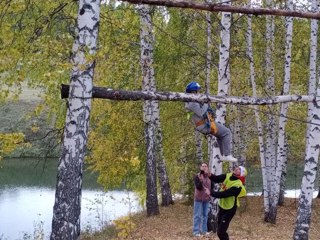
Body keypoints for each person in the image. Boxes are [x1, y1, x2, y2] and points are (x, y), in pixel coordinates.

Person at [185, 81, 237, 163]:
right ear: (193, 92)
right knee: (227, 132)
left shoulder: (191, 102)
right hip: (204, 126)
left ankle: (223, 155)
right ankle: (227, 155)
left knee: (221, 135)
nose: (198, 93)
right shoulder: (192, 103)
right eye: (197, 91)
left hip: (203, 125)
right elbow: (201, 112)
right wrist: (206, 102)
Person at [205, 166, 247, 240]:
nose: (236, 168)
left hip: (230, 210)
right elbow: (217, 179)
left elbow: (224, 194)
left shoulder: (238, 185)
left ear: (241, 174)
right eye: (237, 168)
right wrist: (209, 175)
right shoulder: (228, 175)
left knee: (221, 232)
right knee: (220, 229)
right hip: (222, 206)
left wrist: (210, 193)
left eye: (239, 169)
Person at [193, 162, 211, 237]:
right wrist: (200, 181)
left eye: (205, 166)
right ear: (200, 168)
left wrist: (211, 194)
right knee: (197, 215)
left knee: (205, 215)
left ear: (207, 167)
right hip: (198, 198)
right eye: (202, 166)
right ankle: (196, 231)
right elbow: (198, 187)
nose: (204, 167)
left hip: (207, 199)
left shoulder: (210, 176)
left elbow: (211, 187)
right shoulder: (197, 176)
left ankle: (204, 230)